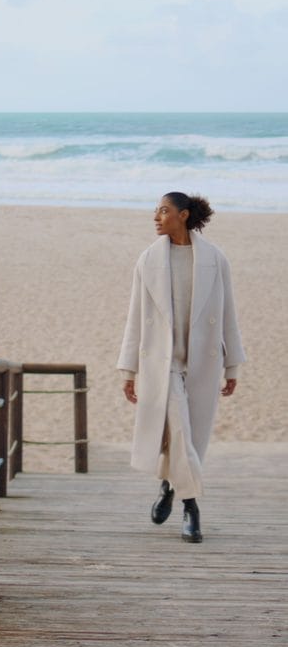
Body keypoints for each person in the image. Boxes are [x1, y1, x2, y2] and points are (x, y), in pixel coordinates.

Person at [117, 192, 245, 543]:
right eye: (156, 211)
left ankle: (167, 486)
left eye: (163, 211)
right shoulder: (148, 260)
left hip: (204, 362)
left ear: (183, 215)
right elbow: (135, 319)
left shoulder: (215, 259)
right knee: (180, 430)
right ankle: (191, 507)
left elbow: (229, 313)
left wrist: (232, 364)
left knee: (190, 437)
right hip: (163, 364)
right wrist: (128, 371)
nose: (155, 217)